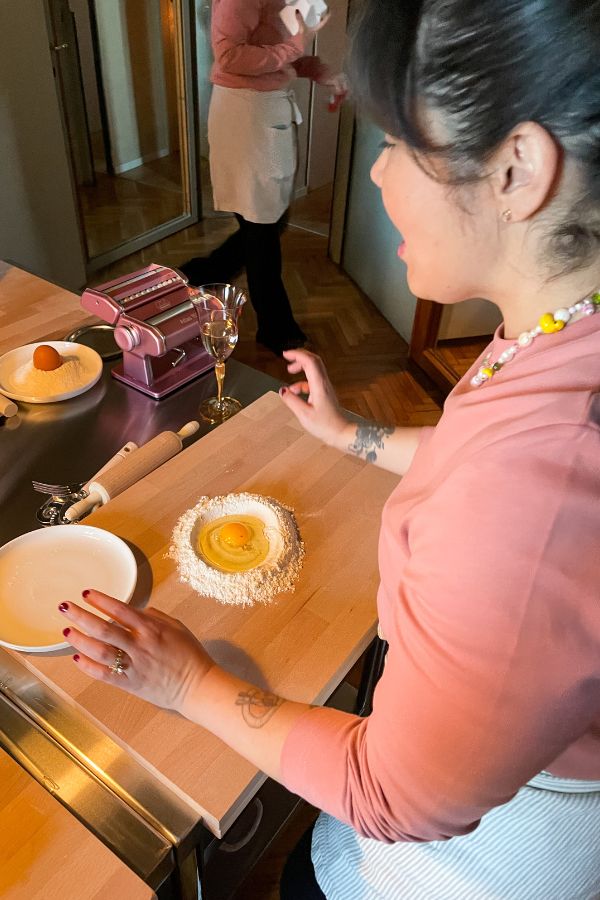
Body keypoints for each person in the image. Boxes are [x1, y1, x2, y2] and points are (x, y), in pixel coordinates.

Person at [59, 0, 600, 896]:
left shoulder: (532, 494)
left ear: (517, 167)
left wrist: (187, 680)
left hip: (479, 858)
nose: (378, 175)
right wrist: (358, 435)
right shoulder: (561, 328)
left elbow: (388, 793)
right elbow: (485, 456)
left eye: (396, 143)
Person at [179, 0, 345, 356]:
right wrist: (298, 41)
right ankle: (275, 327)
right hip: (247, 115)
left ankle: (206, 270)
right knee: (263, 225)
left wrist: (320, 70)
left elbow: (274, 52)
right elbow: (231, 58)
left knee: (268, 219)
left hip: (268, 110)